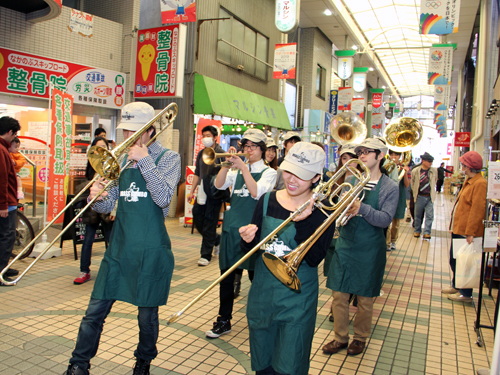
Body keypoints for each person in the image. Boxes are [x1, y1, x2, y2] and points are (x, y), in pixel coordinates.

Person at [63, 102, 181, 375]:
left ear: (149, 130)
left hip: (151, 251)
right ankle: (78, 364)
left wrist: (145, 160)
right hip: (119, 249)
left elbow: (164, 199)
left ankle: (143, 360)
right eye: (124, 129)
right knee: (94, 312)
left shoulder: (168, 158)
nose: (126, 135)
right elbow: (106, 208)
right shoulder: (120, 161)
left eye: (132, 130)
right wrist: (98, 197)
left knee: (146, 317)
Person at [239, 142, 336, 375]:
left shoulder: (323, 210)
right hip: (262, 295)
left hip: (297, 301)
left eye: (301, 175)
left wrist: (304, 222)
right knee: (263, 365)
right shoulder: (267, 200)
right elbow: (250, 252)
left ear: (316, 178)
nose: (291, 179)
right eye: (289, 170)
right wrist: (246, 239)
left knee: (289, 365)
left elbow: (313, 259)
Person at [323, 138, 398, 356]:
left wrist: (360, 208)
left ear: (380, 155)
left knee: (365, 298)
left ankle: (360, 338)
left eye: (367, 152)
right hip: (345, 244)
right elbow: (336, 208)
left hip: (370, 249)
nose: (362, 156)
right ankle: (340, 337)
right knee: (339, 294)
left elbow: (385, 219)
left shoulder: (389, 187)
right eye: (360, 152)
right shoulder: (354, 180)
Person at [206, 128, 277, 339]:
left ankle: (263, 318)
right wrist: (226, 164)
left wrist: (243, 168)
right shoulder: (236, 171)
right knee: (226, 277)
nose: (249, 150)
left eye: (254, 147)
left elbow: (256, 192)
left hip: (255, 232)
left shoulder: (269, 173)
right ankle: (223, 319)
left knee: (258, 279)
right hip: (232, 230)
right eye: (246, 146)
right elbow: (218, 185)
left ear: (263, 150)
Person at [442, 151, 487, 303]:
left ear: (469, 166)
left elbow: (477, 210)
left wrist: (471, 232)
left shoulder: (480, 183)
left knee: (465, 262)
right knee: (455, 259)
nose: (462, 166)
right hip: (460, 228)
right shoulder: (470, 180)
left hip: (467, 231)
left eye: (463, 164)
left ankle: (466, 294)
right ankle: (457, 285)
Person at [73, 136, 115, 285]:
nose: (101, 150)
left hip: (108, 207)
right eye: (98, 147)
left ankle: (113, 271)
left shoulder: (113, 164)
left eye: (104, 146)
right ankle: (84, 271)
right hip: (92, 206)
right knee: (88, 239)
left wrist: (115, 209)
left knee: (111, 240)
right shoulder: (91, 163)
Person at [187, 125, 225, 266]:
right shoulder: (201, 153)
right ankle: (216, 239)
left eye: (208, 135)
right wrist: (192, 192)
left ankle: (206, 255)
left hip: (215, 193)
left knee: (210, 221)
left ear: (215, 137)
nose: (205, 138)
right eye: (203, 136)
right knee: (197, 216)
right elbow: (197, 173)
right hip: (202, 192)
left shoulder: (220, 153)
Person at [0, 117, 21, 286]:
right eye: (15, 134)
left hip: (7, 201)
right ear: (9, 132)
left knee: (5, 236)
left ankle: (4, 267)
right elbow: (2, 180)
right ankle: (1, 272)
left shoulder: (4, 149)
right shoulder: (1, 150)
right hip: (6, 203)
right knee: (7, 237)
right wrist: (3, 204)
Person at [386, 150, 410, 251]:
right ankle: (386, 243)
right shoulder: (386, 166)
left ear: (400, 156)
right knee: (386, 222)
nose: (393, 156)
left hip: (399, 197)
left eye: (396, 154)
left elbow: (407, 185)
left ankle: (393, 241)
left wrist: (405, 173)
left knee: (396, 223)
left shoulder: (402, 167)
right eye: (391, 154)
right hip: (388, 196)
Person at [411, 152, 437, 239]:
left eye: (431, 161)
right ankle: (417, 231)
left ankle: (427, 232)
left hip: (429, 196)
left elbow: (435, 181)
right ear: (423, 161)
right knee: (417, 215)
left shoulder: (433, 171)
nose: (430, 163)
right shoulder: (416, 171)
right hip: (419, 196)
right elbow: (413, 183)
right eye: (428, 161)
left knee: (430, 215)